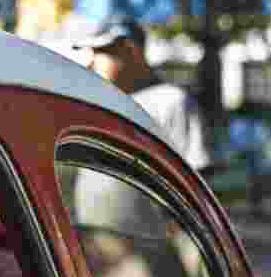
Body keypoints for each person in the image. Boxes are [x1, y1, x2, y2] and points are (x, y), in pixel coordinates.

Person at [75, 19, 212, 173]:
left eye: (100, 52)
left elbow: (195, 177)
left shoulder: (171, 101)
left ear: (130, 49)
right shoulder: (100, 106)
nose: (90, 64)